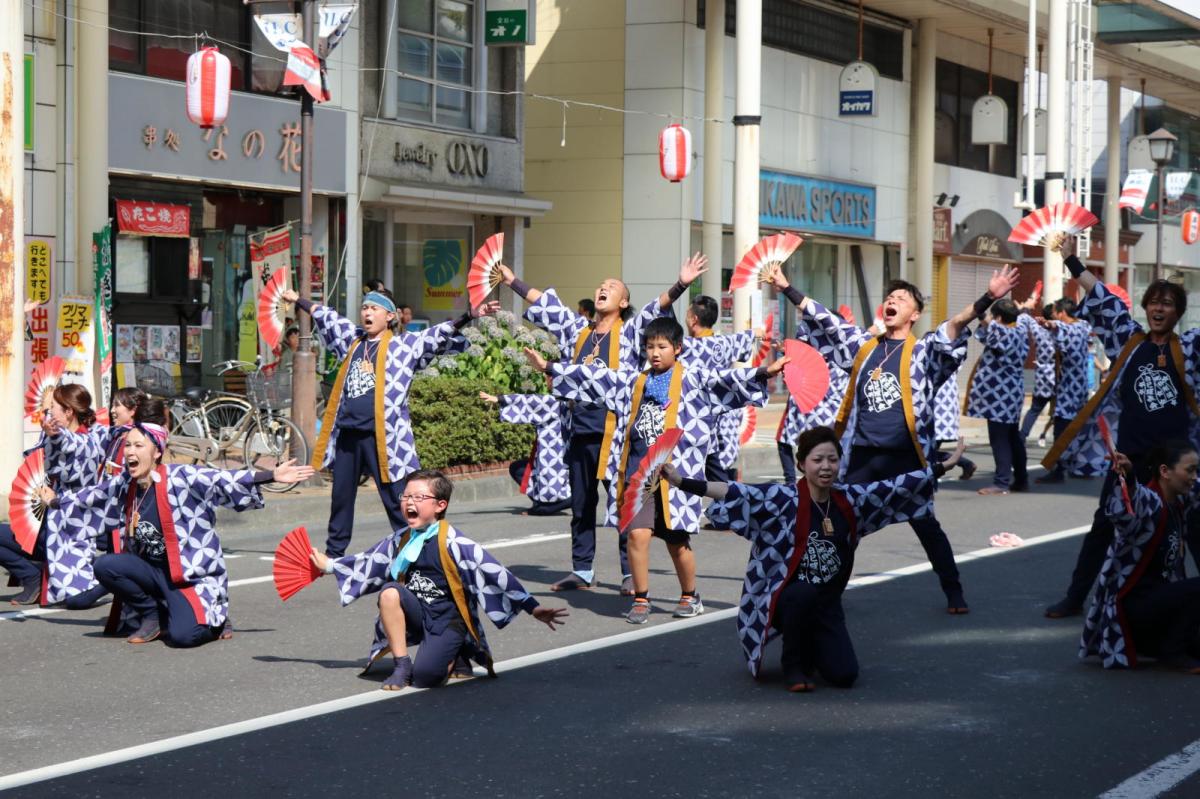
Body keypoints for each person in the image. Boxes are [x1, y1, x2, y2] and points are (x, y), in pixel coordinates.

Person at [766, 263, 1021, 613]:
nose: (892, 301)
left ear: (914, 314)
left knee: (926, 526)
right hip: (863, 456)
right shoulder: (865, 347)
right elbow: (827, 320)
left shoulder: (924, 352)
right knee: (843, 527)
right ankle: (824, 594)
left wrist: (989, 297)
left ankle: (953, 591)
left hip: (905, 457)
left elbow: (957, 325)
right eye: (889, 297)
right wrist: (786, 287)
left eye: (900, 299)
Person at [666, 426, 965, 691]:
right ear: (801, 464)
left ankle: (812, 646)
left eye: (832, 460)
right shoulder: (782, 498)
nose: (826, 467)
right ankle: (792, 663)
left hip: (826, 603)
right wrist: (681, 482)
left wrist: (940, 467)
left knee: (845, 675)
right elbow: (734, 491)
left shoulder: (849, 500)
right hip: (783, 596)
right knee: (802, 593)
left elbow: (892, 488)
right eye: (817, 460)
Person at [526, 317, 781, 624]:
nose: (655, 353)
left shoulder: (694, 379)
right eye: (649, 347)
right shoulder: (634, 381)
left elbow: (725, 381)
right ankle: (641, 598)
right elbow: (596, 378)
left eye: (662, 346)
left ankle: (690, 594)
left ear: (678, 348)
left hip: (674, 475)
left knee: (677, 544)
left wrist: (764, 371)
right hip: (639, 472)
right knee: (637, 535)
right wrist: (550, 368)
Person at [497, 255, 708, 594]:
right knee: (581, 505)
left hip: (617, 434)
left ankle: (629, 573)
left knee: (623, 502)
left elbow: (657, 308)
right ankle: (582, 570)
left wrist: (681, 283)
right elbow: (547, 306)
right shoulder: (576, 331)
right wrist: (512, 281)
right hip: (578, 430)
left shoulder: (630, 333)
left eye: (611, 288)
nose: (603, 289)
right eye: (600, 286)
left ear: (623, 302)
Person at [1044, 235, 1200, 618]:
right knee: (1104, 526)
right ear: (1146, 308)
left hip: (1176, 462)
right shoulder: (1129, 343)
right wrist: (1071, 260)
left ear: (1178, 312)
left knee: (1190, 527)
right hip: (1129, 458)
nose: (1159, 309)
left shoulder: (1191, 347)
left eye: (1168, 304)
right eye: (1154, 303)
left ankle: (1174, 604)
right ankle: (1075, 596)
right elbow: (1102, 299)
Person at [48, 421, 313, 645]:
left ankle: (216, 620)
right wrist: (55, 502)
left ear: (157, 452)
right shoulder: (126, 483)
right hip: (151, 571)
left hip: (188, 575)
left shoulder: (180, 477)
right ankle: (151, 614)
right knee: (106, 565)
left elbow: (221, 480)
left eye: (139, 446)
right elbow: (93, 497)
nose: (130, 451)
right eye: (128, 445)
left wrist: (270, 476)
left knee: (183, 637)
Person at [283, 284, 498, 558]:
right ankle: (334, 554)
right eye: (364, 308)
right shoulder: (353, 340)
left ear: (390, 316)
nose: (367, 313)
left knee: (397, 495)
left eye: (374, 308)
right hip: (349, 434)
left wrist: (469, 315)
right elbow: (325, 315)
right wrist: (297, 299)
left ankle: (415, 547)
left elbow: (436, 335)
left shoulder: (403, 346)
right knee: (341, 498)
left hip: (384, 437)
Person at [310, 470, 569, 689]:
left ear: (440, 505)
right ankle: (401, 664)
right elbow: (369, 562)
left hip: (447, 620)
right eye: (406, 496)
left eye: (419, 497)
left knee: (426, 678)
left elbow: (497, 574)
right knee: (389, 592)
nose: (409, 502)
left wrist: (533, 607)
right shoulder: (400, 538)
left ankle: (458, 651)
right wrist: (330, 565)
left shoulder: (456, 543)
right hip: (417, 613)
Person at [1082, 442, 1200, 673]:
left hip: (1161, 605)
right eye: (1190, 470)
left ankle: (1170, 643)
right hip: (1133, 608)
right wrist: (1129, 475)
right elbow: (1128, 506)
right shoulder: (1151, 501)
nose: (1194, 477)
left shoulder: (1179, 501)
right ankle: (1172, 651)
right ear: (1165, 471)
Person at [38, 387, 157, 610]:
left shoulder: (130, 439)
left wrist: (53, 430)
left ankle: (113, 583)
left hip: (102, 508)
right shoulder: (107, 433)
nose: (112, 411)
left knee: (80, 594)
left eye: (117, 406)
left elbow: (72, 442)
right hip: (87, 506)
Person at [0, 384, 102, 606]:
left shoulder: (89, 441)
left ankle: (104, 582)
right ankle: (31, 576)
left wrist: (55, 436)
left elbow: (68, 442)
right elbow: (38, 454)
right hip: (47, 527)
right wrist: (50, 434)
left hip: (70, 532)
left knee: (77, 600)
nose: (48, 411)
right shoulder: (54, 434)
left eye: (53, 407)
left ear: (68, 412)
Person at [679, 294, 760, 483]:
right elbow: (751, 334)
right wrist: (757, 332)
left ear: (693, 319)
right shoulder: (724, 343)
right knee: (718, 465)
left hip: (693, 414)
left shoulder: (685, 346)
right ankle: (728, 501)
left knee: (694, 468)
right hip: (723, 412)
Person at [964, 296, 1038, 495]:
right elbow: (1022, 316)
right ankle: (1021, 479)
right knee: (1013, 437)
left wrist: (982, 305)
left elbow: (987, 323)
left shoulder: (1004, 332)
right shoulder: (1020, 328)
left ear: (998, 317)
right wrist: (1026, 307)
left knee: (1000, 439)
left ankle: (1001, 482)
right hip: (1012, 392)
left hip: (999, 396)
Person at [479, 389, 572, 516]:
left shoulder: (555, 402)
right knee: (520, 468)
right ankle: (547, 503)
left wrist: (500, 399)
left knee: (528, 470)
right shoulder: (577, 397)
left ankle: (551, 505)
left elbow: (530, 401)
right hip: (570, 453)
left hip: (553, 451)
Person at [1036, 298, 1094, 483]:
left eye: (1055, 311)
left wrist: (1048, 324)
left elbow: (1058, 327)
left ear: (1062, 313)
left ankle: (1058, 470)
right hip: (1081, 386)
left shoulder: (1068, 328)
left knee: (1061, 430)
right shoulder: (1084, 325)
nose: (1053, 314)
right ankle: (1082, 467)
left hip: (1069, 388)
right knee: (1079, 430)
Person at [931, 365, 975, 481]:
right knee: (927, 451)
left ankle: (964, 463)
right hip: (942, 404)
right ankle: (964, 463)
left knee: (924, 452)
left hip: (937, 403)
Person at [1021, 304, 1058, 440]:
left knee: (1034, 409)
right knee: (1058, 413)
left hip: (1042, 376)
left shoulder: (1038, 332)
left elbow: (1026, 319)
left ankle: (1022, 435)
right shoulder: (1061, 331)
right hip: (1058, 376)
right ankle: (1057, 439)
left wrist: (1026, 308)